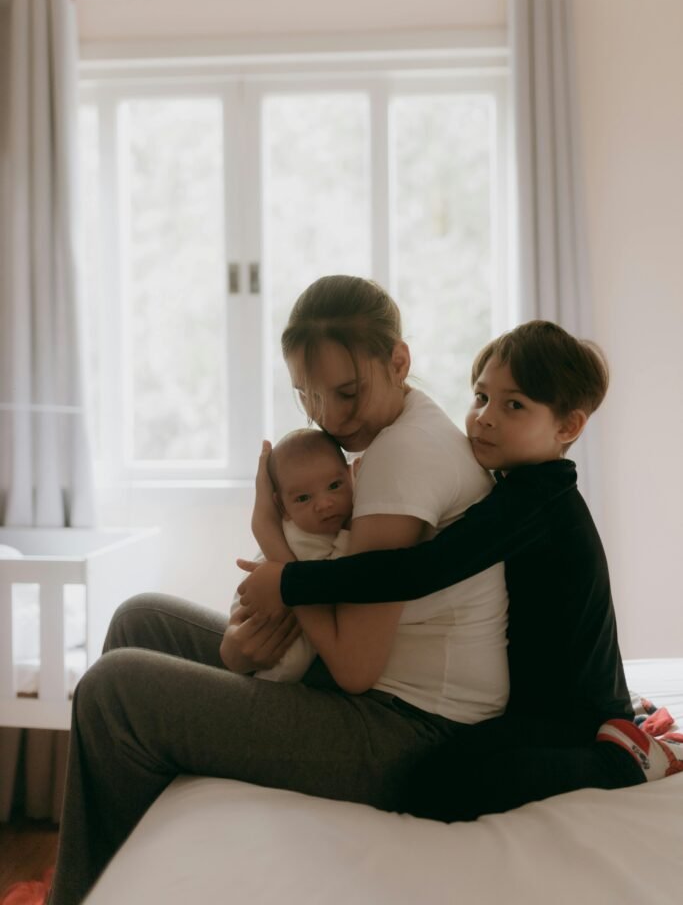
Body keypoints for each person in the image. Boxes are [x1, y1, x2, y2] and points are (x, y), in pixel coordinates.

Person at [45, 275, 509, 905]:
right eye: (307, 398)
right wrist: (261, 619)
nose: (327, 418)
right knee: (141, 618)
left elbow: (353, 668)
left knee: (113, 690)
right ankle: (126, 877)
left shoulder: (404, 461)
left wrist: (275, 545)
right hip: (388, 705)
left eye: (346, 392)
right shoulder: (399, 435)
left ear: (399, 361)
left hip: (409, 735)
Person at [237, 319, 683, 821]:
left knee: (436, 788)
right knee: (439, 776)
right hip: (543, 704)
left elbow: (415, 572)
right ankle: (624, 724)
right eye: (480, 397)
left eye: (513, 405)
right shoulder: (520, 488)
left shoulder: (536, 502)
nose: (485, 418)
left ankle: (621, 760)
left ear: (567, 427)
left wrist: (290, 580)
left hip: (567, 716)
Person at [252, 427, 353, 683]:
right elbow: (327, 583)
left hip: (292, 614)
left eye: (334, 485)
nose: (324, 504)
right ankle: (263, 691)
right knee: (292, 662)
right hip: (271, 620)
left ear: (351, 476)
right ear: (282, 508)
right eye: (303, 498)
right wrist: (347, 535)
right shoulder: (303, 539)